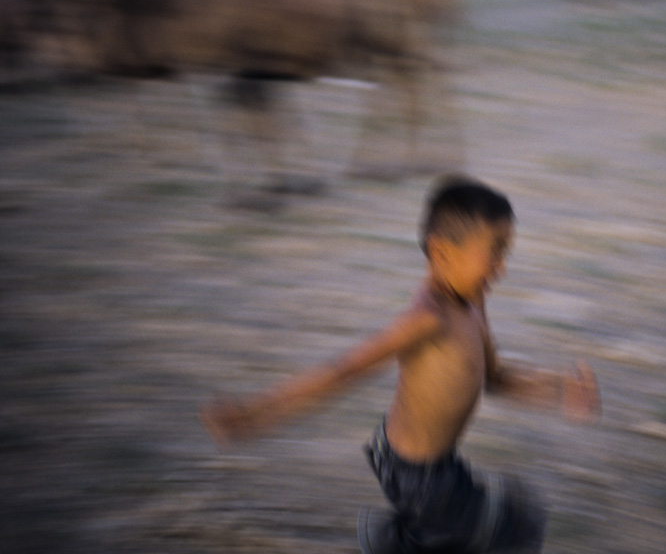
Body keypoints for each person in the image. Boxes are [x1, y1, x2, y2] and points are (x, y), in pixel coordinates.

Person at [201, 174, 601, 553]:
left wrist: (559, 388)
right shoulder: (426, 319)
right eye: (494, 253)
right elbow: (341, 372)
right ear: (443, 252)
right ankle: (395, 541)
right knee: (511, 530)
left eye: (506, 254)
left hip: (440, 466)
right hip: (415, 474)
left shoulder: (473, 303)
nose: (503, 268)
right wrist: (255, 414)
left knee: (502, 524)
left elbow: (495, 379)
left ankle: (402, 540)